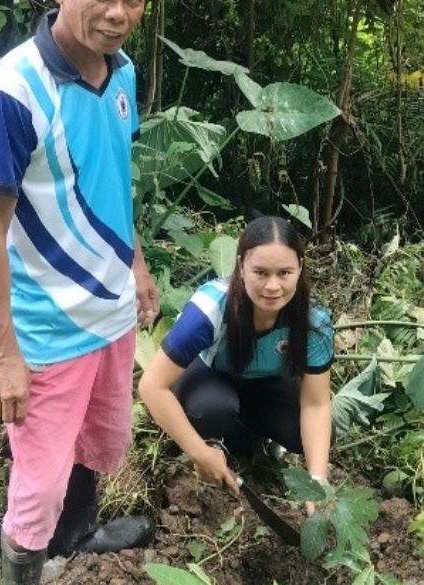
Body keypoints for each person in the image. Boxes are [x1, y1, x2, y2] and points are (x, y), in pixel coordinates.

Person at [0, 0, 161, 585]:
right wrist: (2, 354)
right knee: (34, 487)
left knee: (103, 443)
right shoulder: (9, 97)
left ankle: (78, 537)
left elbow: (118, 179)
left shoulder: (122, 75)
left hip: (112, 316)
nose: (118, 14)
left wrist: (139, 267)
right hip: (45, 337)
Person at [138, 216, 333, 508]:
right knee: (214, 411)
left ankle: (246, 436)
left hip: (262, 384)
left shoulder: (312, 321)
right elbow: (152, 386)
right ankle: (216, 441)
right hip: (208, 375)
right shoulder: (210, 309)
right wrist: (199, 453)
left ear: (300, 269)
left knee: (306, 434)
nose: (272, 286)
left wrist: (317, 484)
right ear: (241, 267)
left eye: (284, 273)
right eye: (260, 272)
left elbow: (315, 404)